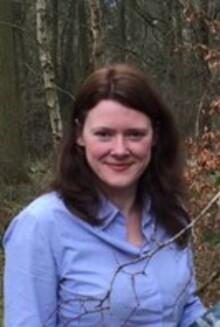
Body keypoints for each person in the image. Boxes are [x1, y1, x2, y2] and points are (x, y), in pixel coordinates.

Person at [3, 64, 206, 327]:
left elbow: (186, 306)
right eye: (104, 134)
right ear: (79, 135)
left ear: (155, 136)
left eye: (135, 134)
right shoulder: (40, 226)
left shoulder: (171, 212)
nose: (119, 149)